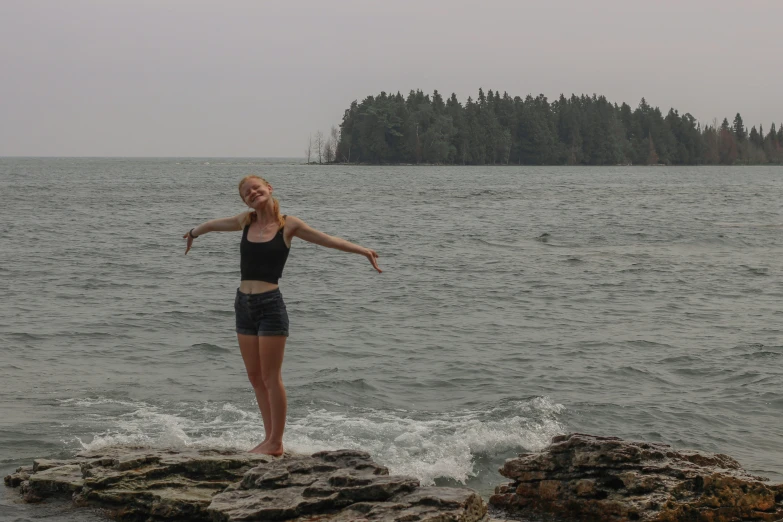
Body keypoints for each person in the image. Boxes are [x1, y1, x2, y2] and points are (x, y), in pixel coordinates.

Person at [183, 175, 381, 455]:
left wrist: (363, 251)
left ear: (269, 189)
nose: (253, 194)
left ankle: (277, 441)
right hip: (243, 305)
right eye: (246, 193)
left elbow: (327, 240)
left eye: (256, 188)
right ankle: (268, 440)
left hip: (270, 306)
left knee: (271, 376)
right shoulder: (245, 221)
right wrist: (193, 233)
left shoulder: (289, 225)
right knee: (254, 377)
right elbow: (214, 225)